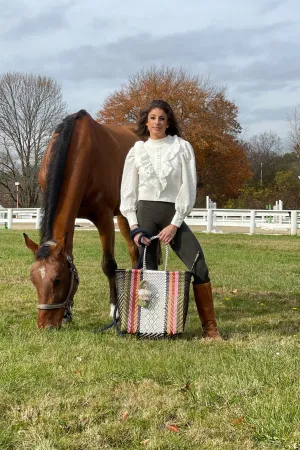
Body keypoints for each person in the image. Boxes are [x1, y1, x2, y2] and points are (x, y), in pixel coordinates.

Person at [120, 99, 220, 339]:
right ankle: (150, 327)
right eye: (152, 118)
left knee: (199, 264)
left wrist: (175, 224)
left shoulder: (182, 147)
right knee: (148, 271)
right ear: (146, 121)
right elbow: (128, 191)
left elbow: (188, 187)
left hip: (172, 213)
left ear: (168, 122)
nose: (157, 122)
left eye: (162, 118)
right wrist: (134, 227)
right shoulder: (137, 151)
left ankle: (210, 328)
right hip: (145, 214)